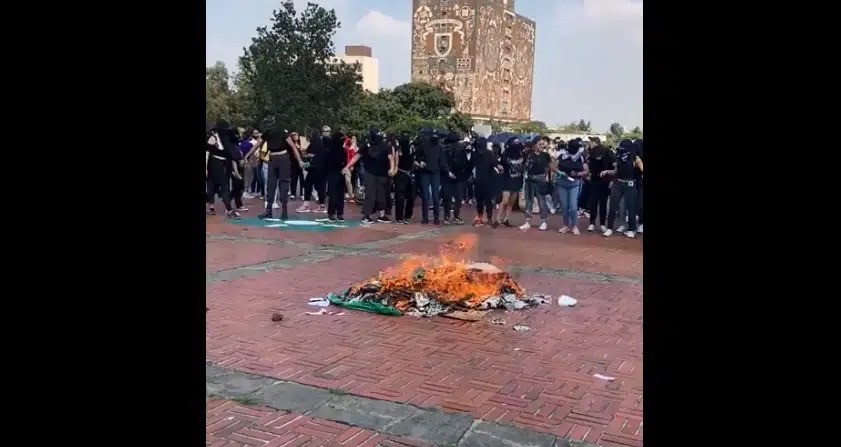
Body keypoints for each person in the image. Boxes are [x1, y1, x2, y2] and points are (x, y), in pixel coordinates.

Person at [344, 128, 395, 223]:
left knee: (382, 195)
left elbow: (391, 158)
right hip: (369, 172)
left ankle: (382, 215)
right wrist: (347, 166)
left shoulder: (384, 145)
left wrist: (392, 168)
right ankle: (366, 215)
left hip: (382, 173)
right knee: (370, 194)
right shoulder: (366, 146)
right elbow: (357, 156)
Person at [259, 129, 302, 221]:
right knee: (271, 184)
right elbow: (257, 145)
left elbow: (293, 146)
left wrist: (299, 161)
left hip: (281, 158)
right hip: (275, 158)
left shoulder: (279, 132)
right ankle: (270, 210)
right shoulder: (269, 132)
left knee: (282, 184)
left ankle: (283, 211)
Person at [603, 139, 643, 238]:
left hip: (630, 184)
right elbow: (616, 171)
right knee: (613, 207)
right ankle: (610, 228)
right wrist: (607, 171)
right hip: (618, 184)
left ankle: (631, 229)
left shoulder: (635, 158)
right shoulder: (619, 157)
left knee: (631, 208)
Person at [205, 122, 240, 219]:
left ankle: (229, 210)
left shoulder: (227, 140)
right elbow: (207, 154)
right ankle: (228, 209)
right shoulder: (213, 138)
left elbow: (231, 155)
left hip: (224, 166)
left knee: (223, 188)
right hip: (213, 166)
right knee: (212, 188)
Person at [554, 138, 589, 234]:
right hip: (562, 183)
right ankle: (565, 225)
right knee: (564, 206)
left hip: (575, 183)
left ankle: (574, 226)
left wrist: (577, 174)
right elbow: (553, 167)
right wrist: (561, 173)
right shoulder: (562, 156)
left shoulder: (581, 157)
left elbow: (586, 171)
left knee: (573, 206)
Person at [520, 136, 552, 231]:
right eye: (540, 144)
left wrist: (545, 178)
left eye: (543, 144)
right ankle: (527, 221)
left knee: (542, 202)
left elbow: (547, 168)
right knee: (528, 202)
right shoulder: (529, 155)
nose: (542, 146)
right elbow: (525, 168)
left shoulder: (545, 155)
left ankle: (543, 221)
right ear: (535, 145)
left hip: (540, 180)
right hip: (530, 180)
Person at [493, 137, 524, 228]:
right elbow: (501, 165)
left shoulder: (520, 154)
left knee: (511, 201)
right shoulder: (505, 154)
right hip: (506, 179)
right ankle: (498, 219)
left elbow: (523, 165)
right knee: (505, 200)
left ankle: (506, 219)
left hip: (517, 179)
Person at [441, 132, 471, 225]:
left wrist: (448, 171)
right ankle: (456, 216)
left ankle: (447, 216)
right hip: (458, 174)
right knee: (458, 197)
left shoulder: (444, 148)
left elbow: (443, 162)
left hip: (448, 175)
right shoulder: (460, 148)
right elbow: (465, 162)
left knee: (448, 197)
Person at [586, 137, 613, 233]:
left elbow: (612, 165)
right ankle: (592, 223)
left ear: (596, 142)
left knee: (603, 202)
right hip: (594, 179)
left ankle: (602, 223)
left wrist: (611, 179)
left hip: (604, 180)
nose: (590, 143)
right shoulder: (591, 152)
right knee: (593, 201)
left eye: (591, 141)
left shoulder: (606, 151)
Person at [299, 128, 328, 213]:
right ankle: (322, 206)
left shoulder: (314, 143)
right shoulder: (322, 142)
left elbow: (310, 155)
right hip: (321, 167)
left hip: (314, 167)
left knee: (308, 185)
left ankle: (306, 204)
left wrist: (307, 156)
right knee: (320, 187)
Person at [471, 137, 496, 226]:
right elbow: (470, 165)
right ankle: (480, 217)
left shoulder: (489, 154)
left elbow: (495, 163)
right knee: (479, 201)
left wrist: (498, 166)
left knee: (488, 201)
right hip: (479, 181)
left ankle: (489, 218)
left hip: (488, 181)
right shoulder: (475, 154)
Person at [325, 130, 347, 222]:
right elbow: (345, 162)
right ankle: (339, 213)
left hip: (332, 173)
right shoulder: (342, 151)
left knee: (333, 193)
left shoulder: (330, 150)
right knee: (340, 194)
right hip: (340, 172)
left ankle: (332, 213)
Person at [393, 134, 416, 224]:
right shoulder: (400, 149)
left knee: (407, 196)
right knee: (401, 197)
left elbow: (413, 160)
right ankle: (402, 217)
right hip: (402, 173)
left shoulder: (410, 149)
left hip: (407, 173)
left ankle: (404, 216)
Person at [343, 135, 358, 202]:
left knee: (350, 180)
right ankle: (350, 195)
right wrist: (347, 139)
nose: (353, 140)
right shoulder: (349, 147)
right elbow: (344, 147)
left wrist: (352, 165)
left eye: (355, 139)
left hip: (352, 165)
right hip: (347, 165)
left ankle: (351, 195)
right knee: (347, 180)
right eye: (352, 138)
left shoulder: (355, 148)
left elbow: (355, 157)